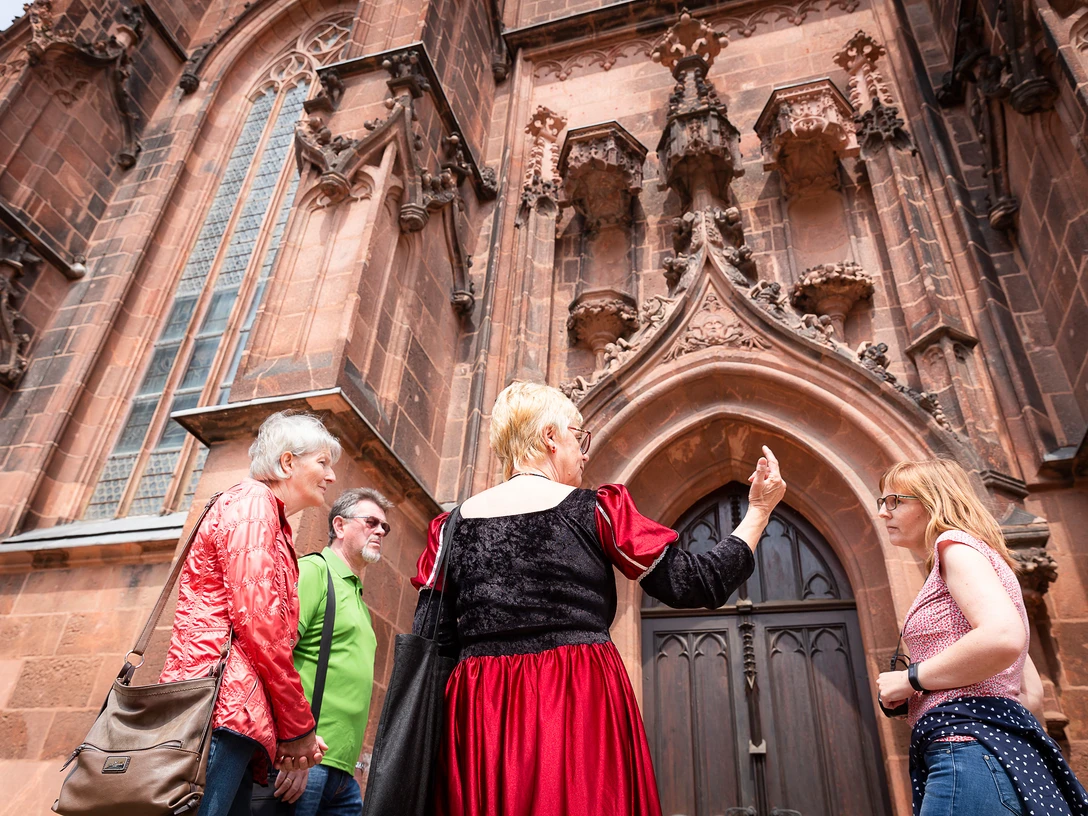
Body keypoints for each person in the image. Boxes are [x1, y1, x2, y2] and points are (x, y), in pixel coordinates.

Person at [411, 381, 786, 816]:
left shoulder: (451, 526)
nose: (584, 452)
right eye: (578, 436)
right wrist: (758, 511)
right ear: (550, 437)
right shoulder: (597, 509)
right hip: (575, 691)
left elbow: (429, 641)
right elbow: (695, 582)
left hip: (481, 706)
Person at [874, 459, 1088, 816]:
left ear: (933, 501)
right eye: (883, 502)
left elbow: (1002, 637)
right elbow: (1030, 695)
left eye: (895, 500)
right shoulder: (984, 561)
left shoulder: (954, 546)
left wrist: (911, 680)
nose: (884, 512)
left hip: (966, 752)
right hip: (997, 755)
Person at [159, 411, 340, 816]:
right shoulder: (254, 503)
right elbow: (260, 625)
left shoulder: (265, 513)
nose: (331, 477)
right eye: (323, 463)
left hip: (229, 705)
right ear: (288, 462)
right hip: (219, 705)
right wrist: (298, 726)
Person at [273, 488, 391, 815]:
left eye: (385, 526)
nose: (380, 530)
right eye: (370, 522)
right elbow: (276, 657)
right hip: (303, 762)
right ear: (339, 526)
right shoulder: (315, 572)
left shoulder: (358, 599)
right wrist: (294, 749)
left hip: (341, 771)